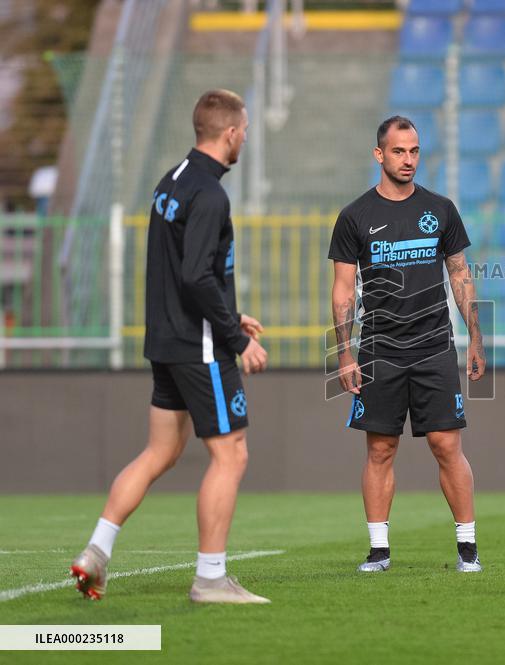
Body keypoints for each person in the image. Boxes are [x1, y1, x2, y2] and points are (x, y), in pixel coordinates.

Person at [70, 89, 270, 603]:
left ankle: (96, 551)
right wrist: (234, 336)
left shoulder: (173, 181)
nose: (245, 135)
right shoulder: (210, 194)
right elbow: (196, 274)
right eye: (244, 128)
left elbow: (187, 271)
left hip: (165, 339)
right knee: (232, 455)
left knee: (161, 451)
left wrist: (230, 309)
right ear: (229, 133)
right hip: (199, 345)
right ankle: (210, 578)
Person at [329, 115, 486, 573]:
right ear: (379, 154)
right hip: (379, 349)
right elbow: (342, 289)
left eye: (414, 151)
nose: (408, 160)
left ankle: (468, 550)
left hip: (435, 346)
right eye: (399, 151)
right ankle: (379, 552)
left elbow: (459, 273)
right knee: (380, 449)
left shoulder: (440, 209)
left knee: (445, 444)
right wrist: (344, 350)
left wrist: (474, 334)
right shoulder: (355, 217)